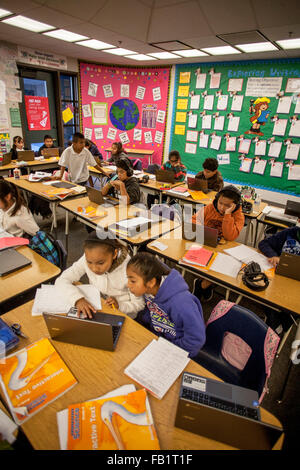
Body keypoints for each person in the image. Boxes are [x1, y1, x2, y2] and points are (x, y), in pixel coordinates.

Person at [126, 252, 205, 358]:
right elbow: (152, 312)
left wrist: (174, 351)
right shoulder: (150, 291)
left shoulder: (182, 304)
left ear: (151, 282)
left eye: (132, 281)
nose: (128, 285)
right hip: (158, 339)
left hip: (177, 349)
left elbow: (195, 339)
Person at [55, 231, 144, 319]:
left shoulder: (130, 270)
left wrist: (120, 306)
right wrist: (78, 299)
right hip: (97, 308)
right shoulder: (89, 258)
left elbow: (139, 304)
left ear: (115, 254)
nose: (94, 269)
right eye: (89, 262)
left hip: (123, 315)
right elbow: (62, 280)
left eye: (100, 263)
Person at [192, 185, 244, 301]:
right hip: (206, 243)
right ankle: (205, 284)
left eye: (227, 205)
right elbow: (194, 220)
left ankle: (202, 285)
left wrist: (227, 215)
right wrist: (201, 228)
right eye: (220, 203)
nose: (222, 207)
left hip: (223, 249)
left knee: (228, 269)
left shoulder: (238, 216)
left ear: (234, 205)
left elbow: (230, 236)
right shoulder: (210, 208)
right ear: (217, 199)